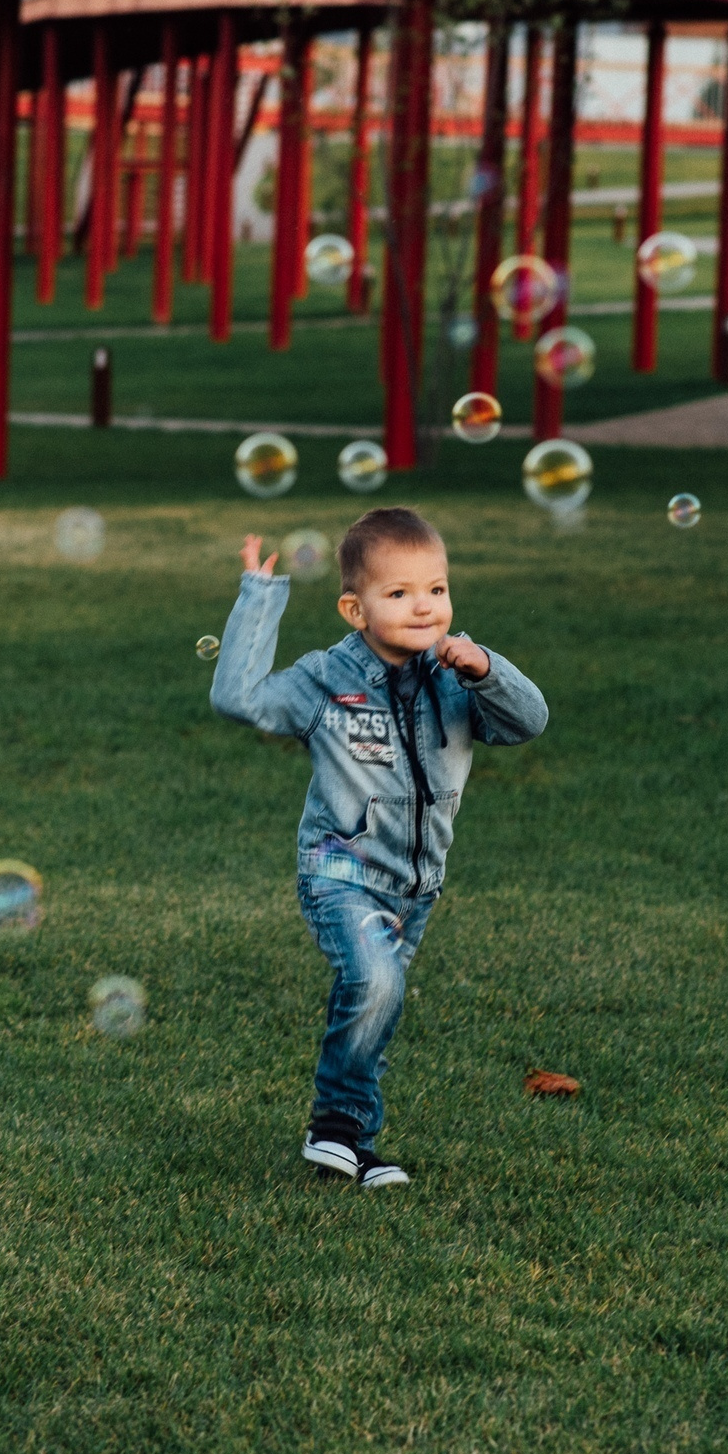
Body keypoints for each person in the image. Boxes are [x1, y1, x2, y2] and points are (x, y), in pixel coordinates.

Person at [210, 506, 549, 1188]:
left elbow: (528, 722)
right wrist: (259, 597)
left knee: (375, 1000)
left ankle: (351, 1142)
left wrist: (488, 668)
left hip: (415, 884)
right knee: (377, 980)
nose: (424, 607)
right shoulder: (324, 680)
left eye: (437, 589)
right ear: (353, 608)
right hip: (340, 868)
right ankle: (336, 1127)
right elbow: (239, 697)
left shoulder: (457, 672)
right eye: (398, 594)